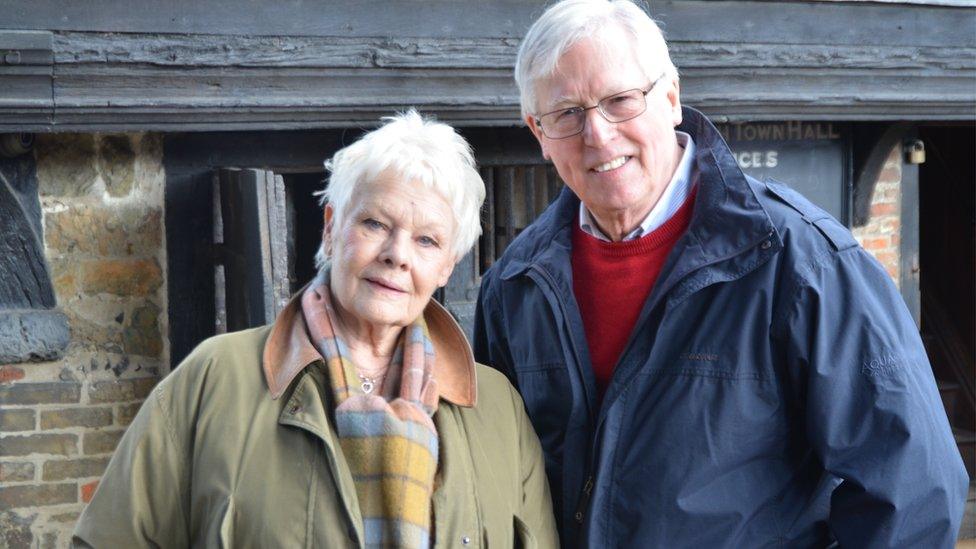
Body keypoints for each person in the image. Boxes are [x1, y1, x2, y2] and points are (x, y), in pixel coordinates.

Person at [473, 1, 969, 547]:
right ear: (537, 132)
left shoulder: (803, 263)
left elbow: (913, 493)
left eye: (620, 100)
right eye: (566, 113)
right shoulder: (513, 288)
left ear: (670, 98)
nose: (598, 134)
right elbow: (498, 480)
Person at [73, 110, 558, 548]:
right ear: (331, 226)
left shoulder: (499, 409)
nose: (397, 254)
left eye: (427, 240)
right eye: (374, 223)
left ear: (448, 265)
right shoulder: (213, 379)